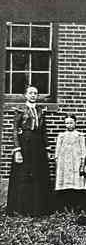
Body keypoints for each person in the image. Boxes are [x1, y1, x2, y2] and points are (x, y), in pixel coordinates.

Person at [6, 85, 51, 216]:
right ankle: (21, 208)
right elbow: (15, 131)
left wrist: (47, 148)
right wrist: (17, 150)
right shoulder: (20, 110)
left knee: (38, 175)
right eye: (30, 93)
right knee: (24, 175)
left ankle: (38, 209)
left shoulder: (41, 110)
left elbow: (44, 131)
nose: (33, 95)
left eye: (35, 93)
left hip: (38, 146)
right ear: (25, 95)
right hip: (25, 145)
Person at [54, 114, 86, 214]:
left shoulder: (80, 135)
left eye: (71, 122)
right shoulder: (61, 136)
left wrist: (82, 163)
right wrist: (58, 161)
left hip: (75, 162)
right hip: (64, 163)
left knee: (76, 185)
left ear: (75, 123)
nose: (69, 125)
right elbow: (57, 151)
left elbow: (83, 151)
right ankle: (64, 207)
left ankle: (76, 207)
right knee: (65, 185)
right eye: (67, 123)